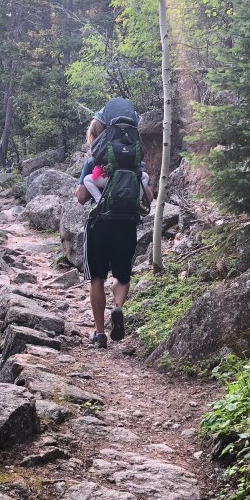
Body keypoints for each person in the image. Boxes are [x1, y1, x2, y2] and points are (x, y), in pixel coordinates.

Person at [75, 99, 153, 348]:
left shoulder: (94, 160)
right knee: (122, 275)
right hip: (126, 224)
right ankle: (117, 307)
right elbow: (148, 197)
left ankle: (99, 334)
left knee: (97, 278)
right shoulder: (135, 162)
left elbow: (81, 198)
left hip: (99, 224)